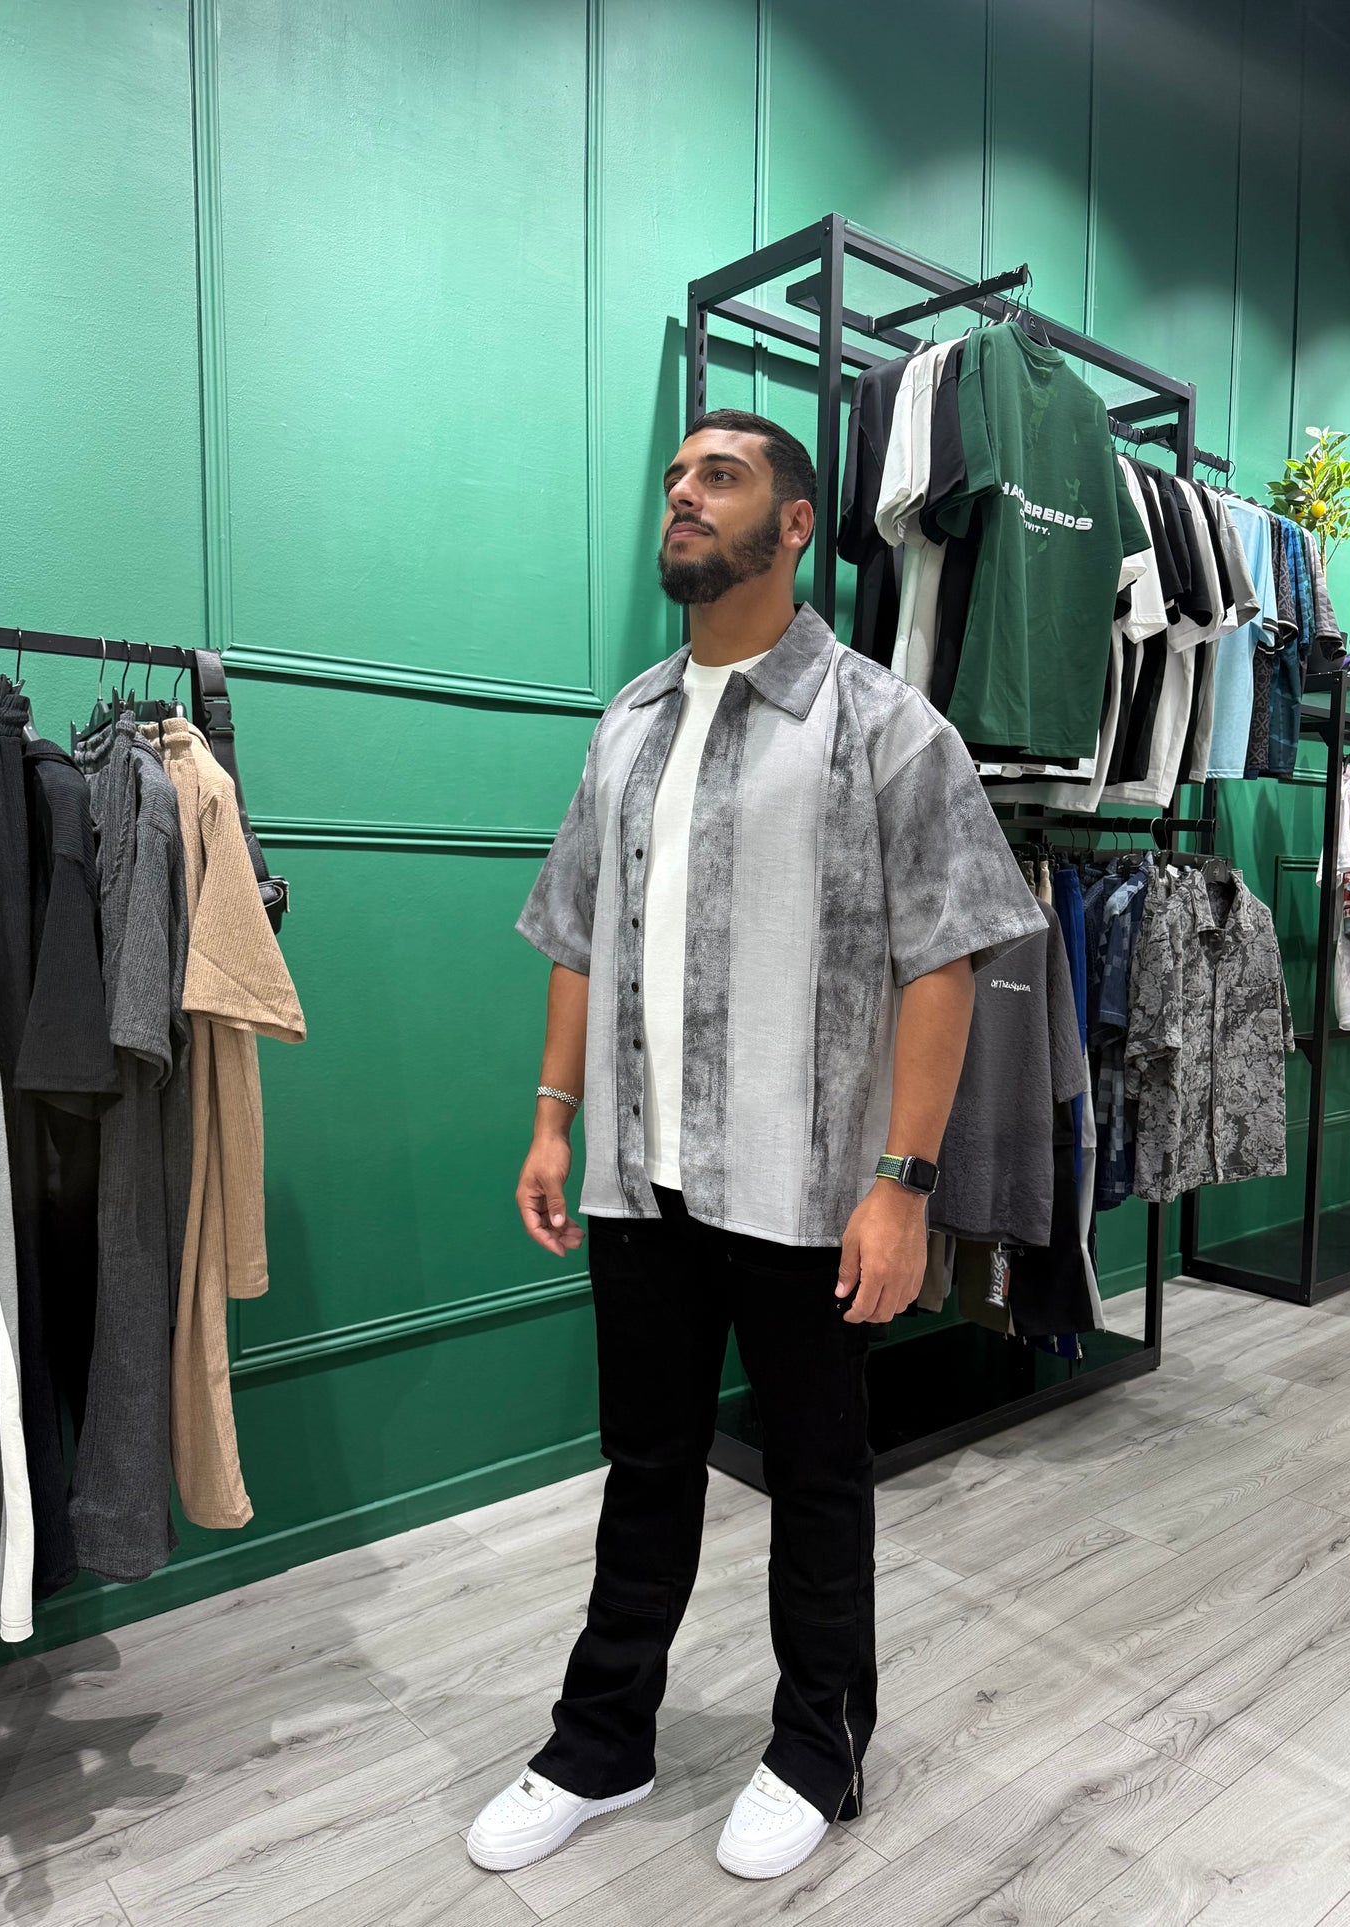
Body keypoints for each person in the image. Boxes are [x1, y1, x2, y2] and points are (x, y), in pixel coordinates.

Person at [468, 409, 1043, 1882]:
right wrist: (550, 1118)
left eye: (717, 478)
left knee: (817, 1476)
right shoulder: (627, 723)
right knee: (645, 1463)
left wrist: (902, 1186)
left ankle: (817, 1746)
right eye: (675, 477)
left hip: (806, 1186)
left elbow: (946, 957)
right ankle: (602, 1741)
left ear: (793, 525)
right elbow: (575, 933)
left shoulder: (881, 724)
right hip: (637, 1177)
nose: (683, 495)